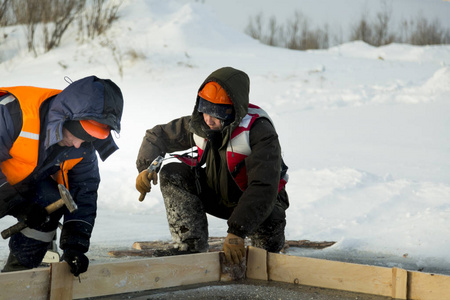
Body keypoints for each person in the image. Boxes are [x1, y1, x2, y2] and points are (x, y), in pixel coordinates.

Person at [136, 67, 289, 265]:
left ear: (235, 109)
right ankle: (190, 245)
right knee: (173, 173)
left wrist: (237, 232)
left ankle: (265, 246)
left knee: (263, 260)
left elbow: (263, 186)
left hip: (260, 204)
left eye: (217, 111)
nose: (208, 118)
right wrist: (145, 168)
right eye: (205, 107)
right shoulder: (201, 124)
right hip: (219, 195)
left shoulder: (260, 132)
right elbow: (158, 135)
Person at [0, 76, 124, 275]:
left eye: (87, 140)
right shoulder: (13, 113)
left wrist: (75, 245)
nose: (78, 145)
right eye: (76, 136)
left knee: (50, 203)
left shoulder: (83, 147)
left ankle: (20, 272)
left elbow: (84, 191)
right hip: (3, 184)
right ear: (63, 118)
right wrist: (16, 204)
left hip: (21, 182)